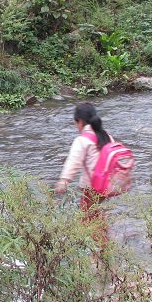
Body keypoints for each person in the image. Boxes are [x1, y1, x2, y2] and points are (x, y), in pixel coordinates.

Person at [54, 102, 113, 258]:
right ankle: (103, 249)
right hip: (108, 186)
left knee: (87, 219)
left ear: (79, 121)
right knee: (96, 215)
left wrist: (64, 181)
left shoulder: (82, 140)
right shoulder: (106, 136)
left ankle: (99, 254)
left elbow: (73, 161)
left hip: (92, 187)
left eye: (76, 123)